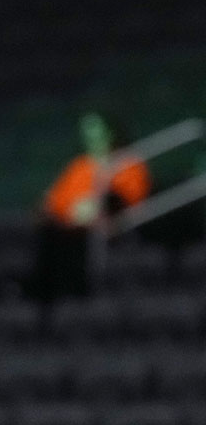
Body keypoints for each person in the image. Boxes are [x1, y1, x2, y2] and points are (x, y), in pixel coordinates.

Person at [28, 111, 150, 302]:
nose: (90, 137)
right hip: (70, 226)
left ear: (110, 132)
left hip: (112, 228)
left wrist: (96, 208)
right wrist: (68, 212)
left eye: (95, 130)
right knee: (50, 233)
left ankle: (77, 290)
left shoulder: (127, 163)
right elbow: (55, 200)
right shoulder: (79, 166)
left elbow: (130, 198)